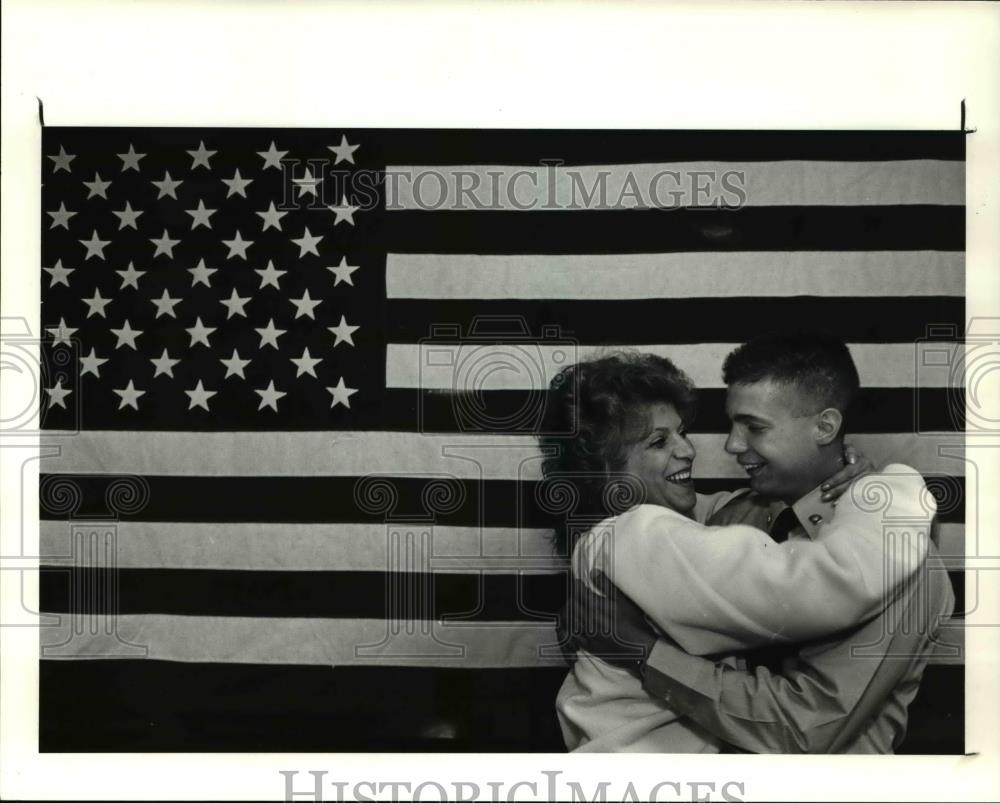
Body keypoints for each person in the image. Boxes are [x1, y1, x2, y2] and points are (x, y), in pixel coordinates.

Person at [538, 337, 950, 752]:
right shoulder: (699, 524)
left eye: (754, 426)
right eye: (659, 441)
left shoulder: (900, 560)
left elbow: (809, 727)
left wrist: (889, 484)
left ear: (825, 427)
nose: (728, 446)